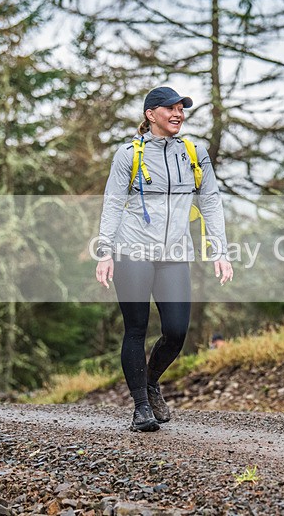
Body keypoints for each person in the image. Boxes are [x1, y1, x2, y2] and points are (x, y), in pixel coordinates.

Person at [95, 86, 233, 432]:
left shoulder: (194, 152)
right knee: (136, 328)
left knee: (175, 331)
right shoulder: (129, 155)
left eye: (181, 109)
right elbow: (112, 203)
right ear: (150, 114)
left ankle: (152, 383)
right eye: (170, 108)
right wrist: (105, 252)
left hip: (174, 254)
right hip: (133, 250)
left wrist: (220, 249)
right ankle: (141, 406)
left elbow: (211, 202)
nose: (178, 114)